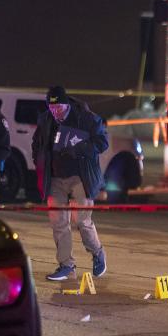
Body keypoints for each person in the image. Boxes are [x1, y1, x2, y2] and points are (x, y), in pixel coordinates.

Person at [32, 86, 109, 281]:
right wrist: (39, 161)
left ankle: (97, 253)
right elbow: (37, 143)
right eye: (52, 108)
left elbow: (102, 142)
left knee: (82, 220)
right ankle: (66, 265)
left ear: (67, 105)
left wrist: (80, 148)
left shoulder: (85, 117)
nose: (56, 112)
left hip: (80, 177)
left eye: (59, 108)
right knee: (58, 222)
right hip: (55, 178)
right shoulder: (46, 120)